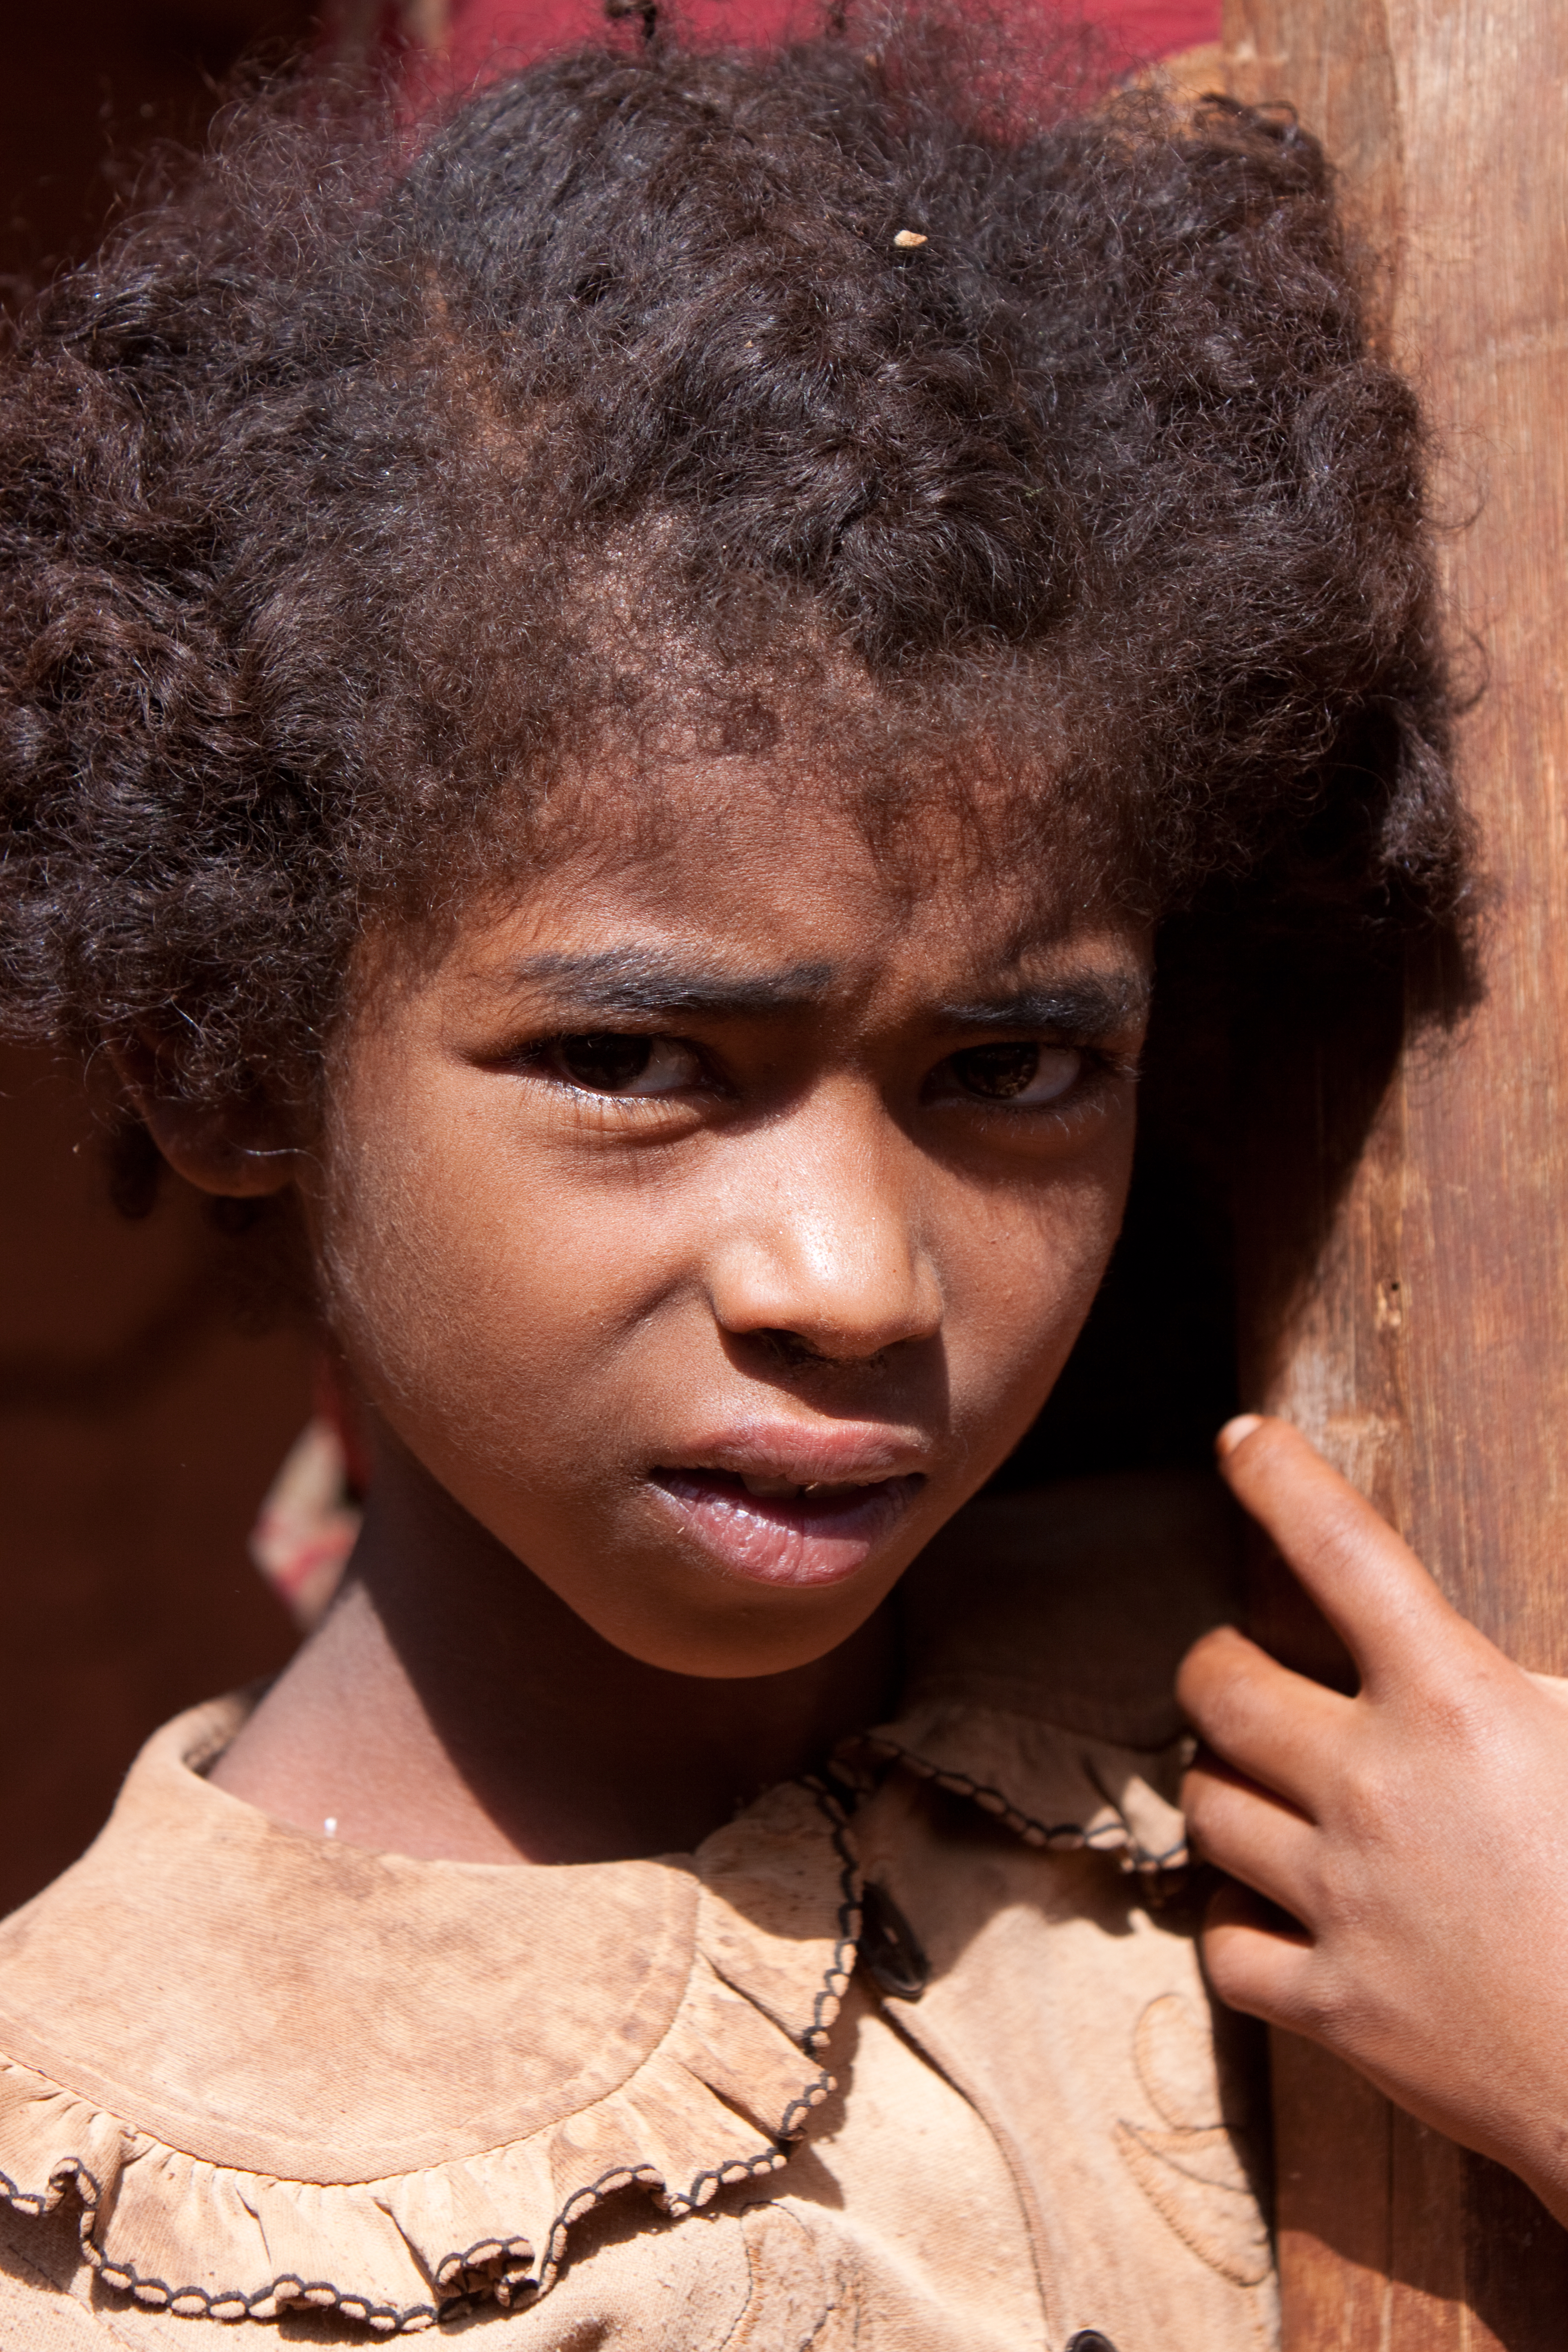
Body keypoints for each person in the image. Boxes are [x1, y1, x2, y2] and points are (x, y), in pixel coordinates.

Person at [0, 12, 1554, 2347]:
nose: (851, 1278)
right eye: (634, 1059)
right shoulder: (161, 2231)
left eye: (1015, 1066)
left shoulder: (1357, 1743)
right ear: (232, 1064)